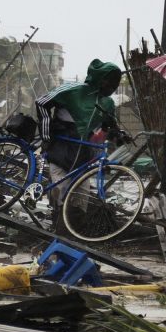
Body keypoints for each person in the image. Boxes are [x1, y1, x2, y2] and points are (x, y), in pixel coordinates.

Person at [34, 59, 122, 226]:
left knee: (81, 197)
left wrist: (119, 134)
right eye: (109, 82)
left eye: (115, 84)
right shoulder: (72, 89)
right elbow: (42, 102)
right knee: (61, 189)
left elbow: (110, 124)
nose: (113, 87)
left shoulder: (107, 103)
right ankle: (58, 227)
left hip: (82, 152)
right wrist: (46, 134)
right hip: (61, 145)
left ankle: (72, 232)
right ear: (100, 78)